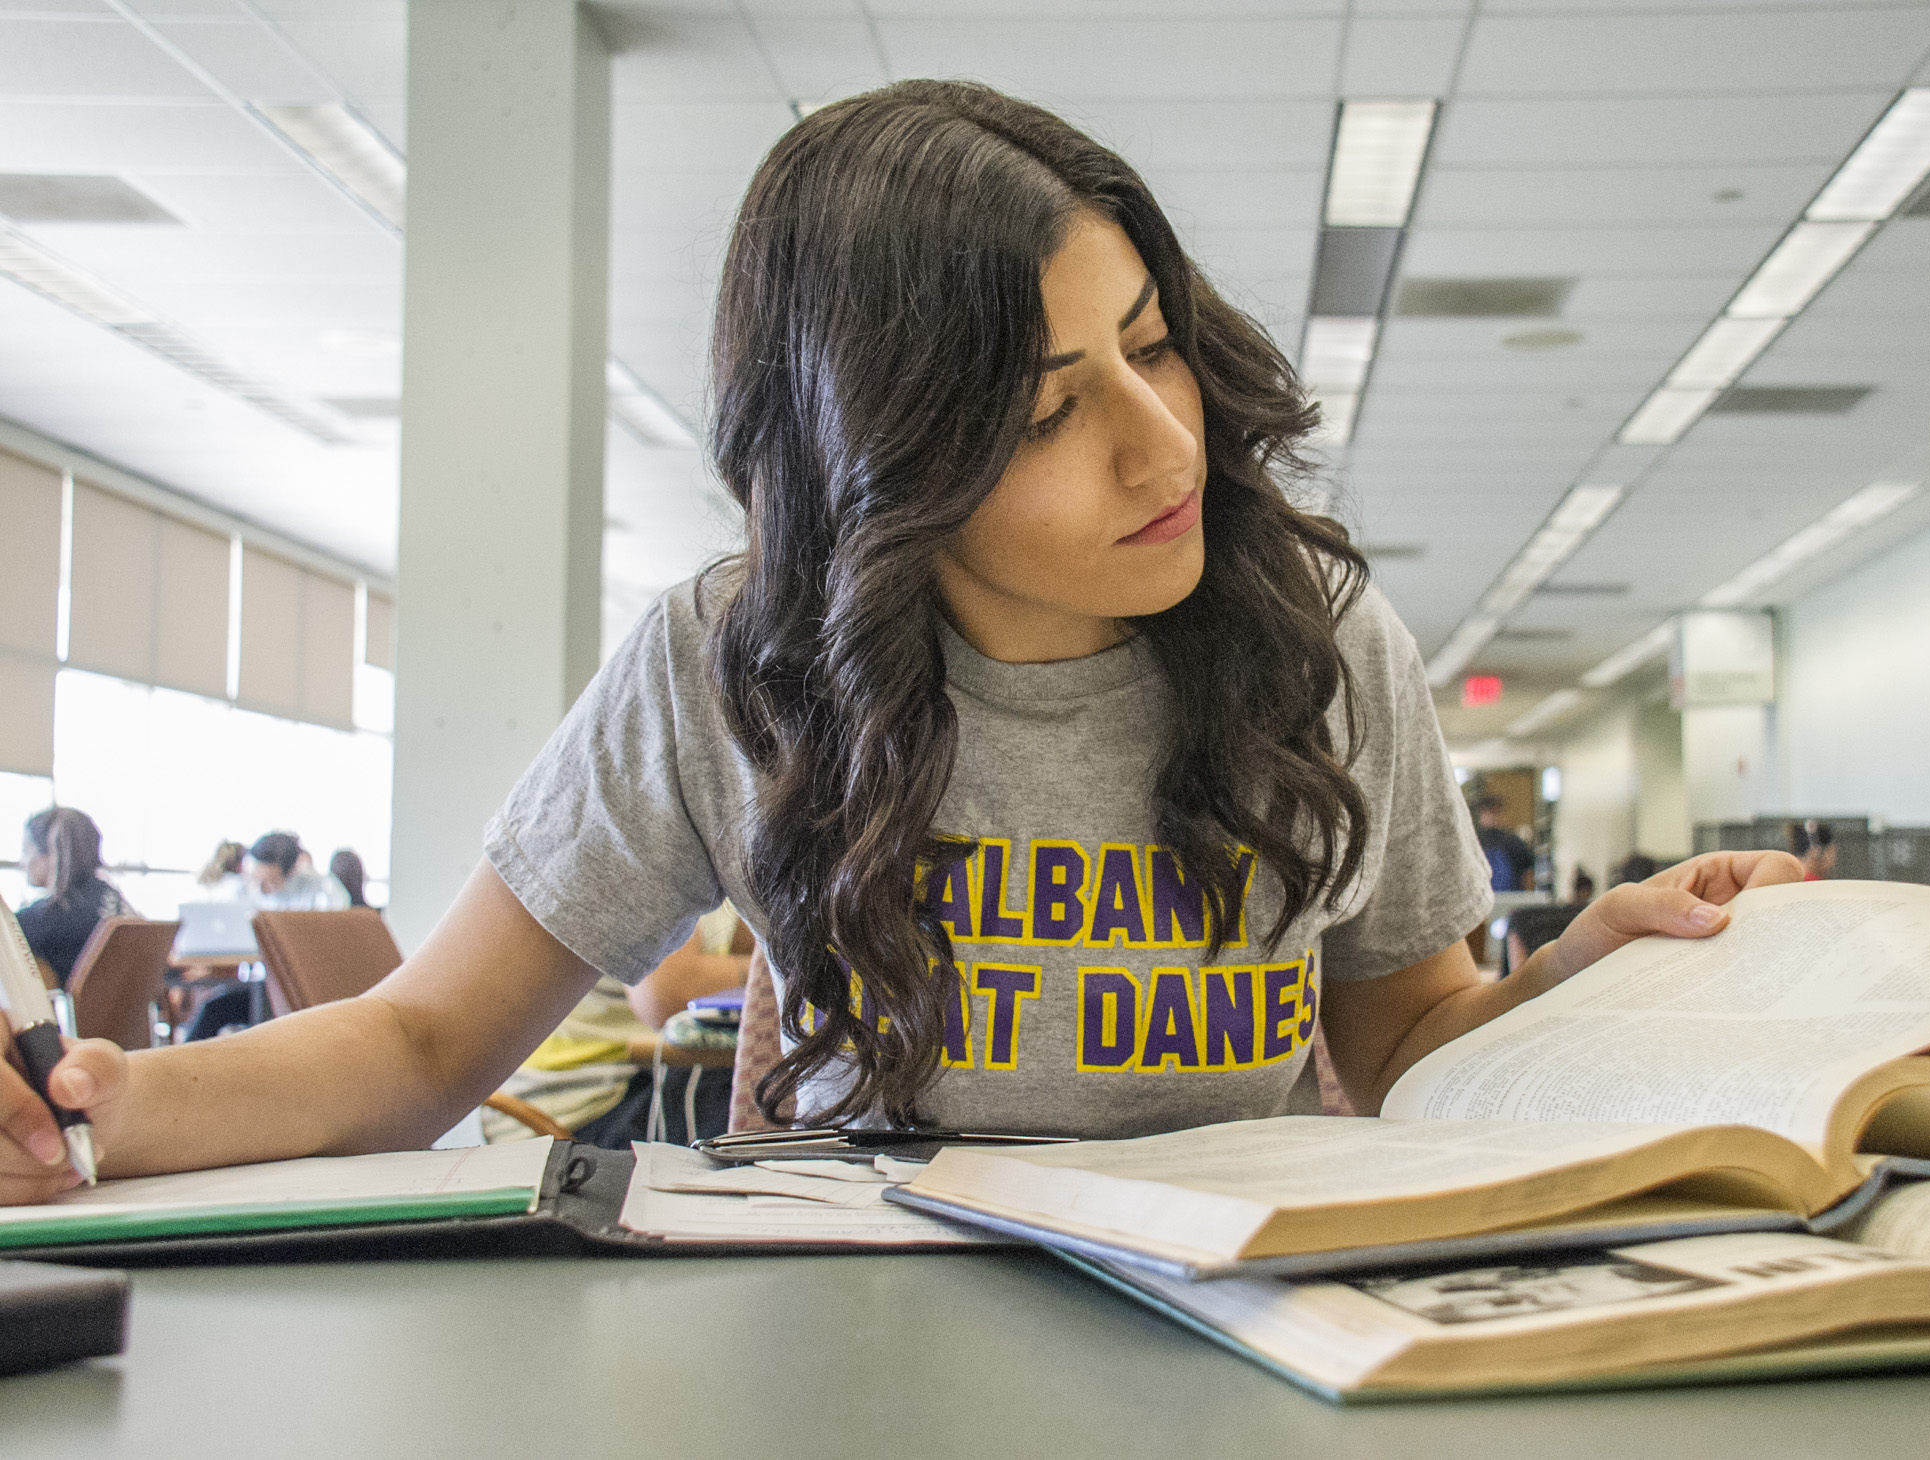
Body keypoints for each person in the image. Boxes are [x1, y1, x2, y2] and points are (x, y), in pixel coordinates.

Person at [0, 81, 1800, 1203]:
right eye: (1041, 412)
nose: (1164, 444)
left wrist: (1589, 968)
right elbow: (414, 1051)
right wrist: (92, 1106)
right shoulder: (738, 654)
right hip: (856, 1301)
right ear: (885, 467)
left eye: (1154, 345)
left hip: (1240, 1318)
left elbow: (1412, 1040)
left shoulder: (1314, 631)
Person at [483, 904, 751, 1146]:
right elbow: (666, 991)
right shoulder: (655, 862)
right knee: (760, 1098)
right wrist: (764, 971)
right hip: (570, 1111)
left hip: (608, 1084)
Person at [15, 809, 136, 984]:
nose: (22, 862)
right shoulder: (113, 897)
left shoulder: (48, 918)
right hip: (124, 1010)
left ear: (51, 853)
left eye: (26, 850)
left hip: (75, 1011)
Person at [233, 832, 349, 911]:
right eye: (254, 880)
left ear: (292, 872)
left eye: (268, 882)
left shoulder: (324, 891)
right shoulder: (240, 891)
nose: (259, 889)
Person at [1470, 793, 1536, 893]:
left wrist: (1527, 899)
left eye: (1494, 812)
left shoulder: (1514, 843)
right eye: (1487, 812)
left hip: (1511, 902)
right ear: (1481, 814)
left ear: (1500, 813)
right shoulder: (1473, 843)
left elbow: (1528, 874)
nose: (1491, 816)